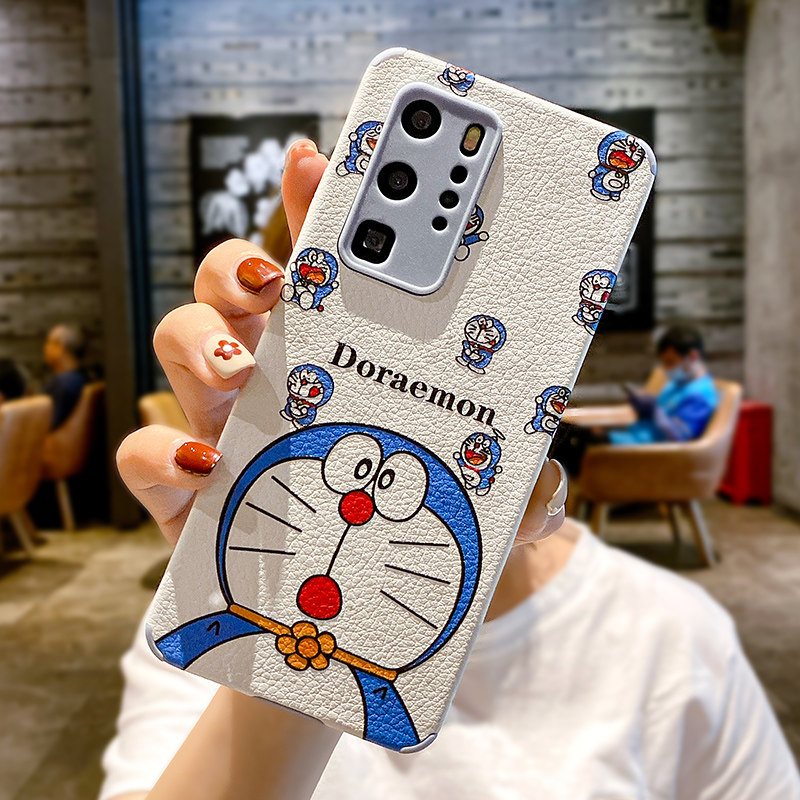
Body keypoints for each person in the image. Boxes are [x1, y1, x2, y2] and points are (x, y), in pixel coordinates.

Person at [105, 140, 800, 800]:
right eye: (345, 324)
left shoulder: (671, 636)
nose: (390, 373)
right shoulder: (205, 613)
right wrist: (284, 640)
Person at [551, 324, 719, 476]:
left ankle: (556, 489)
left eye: (671, 362)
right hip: (632, 440)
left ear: (693, 356)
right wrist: (642, 406)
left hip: (647, 453)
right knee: (566, 430)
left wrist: (655, 410)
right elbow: (656, 416)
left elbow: (679, 438)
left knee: (568, 441)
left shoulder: (701, 394)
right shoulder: (677, 384)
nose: (667, 368)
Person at [42, 324, 87, 429]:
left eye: (49, 342)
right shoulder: (80, 379)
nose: (45, 347)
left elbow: (47, 425)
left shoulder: (64, 384)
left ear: (60, 347)